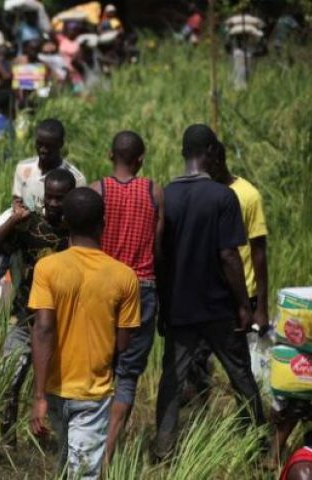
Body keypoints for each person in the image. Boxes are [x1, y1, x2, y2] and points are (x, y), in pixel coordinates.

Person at [152, 124, 265, 459]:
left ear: (184, 153)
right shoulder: (221, 196)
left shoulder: (166, 196)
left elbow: (158, 256)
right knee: (240, 375)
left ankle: (163, 448)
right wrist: (244, 304)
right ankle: (257, 445)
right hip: (217, 307)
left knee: (171, 379)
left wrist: (161, 302)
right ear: (212, 153)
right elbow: (229, 255)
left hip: (178, 307)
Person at [29, 187, 141, 479]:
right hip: (93, 391)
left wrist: (39, 395)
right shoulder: (124, 276)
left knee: (68, 464)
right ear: (103, 225)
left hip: (53, 389)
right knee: (81, 472)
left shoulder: (47, 268)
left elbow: (42, 329)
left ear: (65, 222)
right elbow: (124, 342)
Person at [0, 169, 76, 450]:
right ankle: (7, 439)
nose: (55, 204)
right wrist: (12, 221)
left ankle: (63, 440)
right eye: (51, 198)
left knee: (62, 387)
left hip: (64, 320)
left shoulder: (77, 231)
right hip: (25, 316)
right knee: (10, 378)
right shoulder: (30, 224)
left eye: (62, 198)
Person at [88, 131, 164, 458]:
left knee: (99, 366)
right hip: (142, 287)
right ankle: (108, 452)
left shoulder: (96, 191)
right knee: (128, 372)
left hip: (102, 286)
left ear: (110, 155)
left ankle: (87, 441)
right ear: (140, 159)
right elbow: (160, 247)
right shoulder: (154, 192)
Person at [12, 118, 86, 213]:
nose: (43, 150)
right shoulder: (23, 168)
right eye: (39, 144)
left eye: (49, 146)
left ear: (61, 144)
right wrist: (17, 208)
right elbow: (17, 197)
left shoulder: (76, 178)